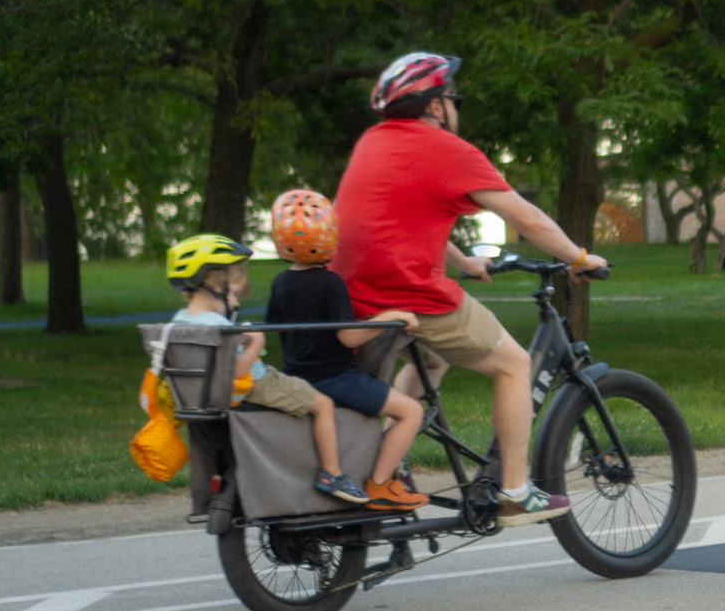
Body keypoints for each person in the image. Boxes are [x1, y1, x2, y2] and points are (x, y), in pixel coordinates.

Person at [329, 52, 608, 527]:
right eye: (453, 98)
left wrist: (460, 260)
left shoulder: (373, 142)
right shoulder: (449, 150)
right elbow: (526, 218)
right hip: (407, 294)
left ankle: (391, 462)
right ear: (436, 106)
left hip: (351, 296)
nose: (456, 107)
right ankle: (515, 491)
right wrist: (578, 258)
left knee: (433, 358)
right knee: (514, 364)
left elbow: (395, 217)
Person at [164, 234, 368, 506]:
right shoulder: (219, 326)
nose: (235, 302)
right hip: (257, 385)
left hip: (207, 393)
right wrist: (256, 340)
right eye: (233, 293)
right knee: (322, 404)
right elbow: (237, 371)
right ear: (215, 284)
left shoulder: (178, 322)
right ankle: (332, 473)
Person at [264, 189, 431, 512]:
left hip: (298, 377)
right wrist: (389, 318)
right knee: (412, 412)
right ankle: (381, 484)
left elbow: (276, 329)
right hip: (336, 380)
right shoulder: (330, 283)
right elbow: (348, 339)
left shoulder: (280, 283)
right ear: (329, 234)